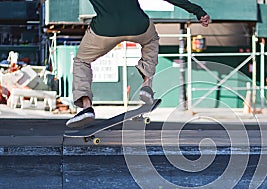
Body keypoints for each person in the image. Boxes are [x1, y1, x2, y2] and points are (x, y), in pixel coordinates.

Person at [47, 0, 210, 128]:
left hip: (105, 29)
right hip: (138, 26)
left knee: (82, 61)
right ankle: (147, 87)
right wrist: (197, 11)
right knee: (152, 41)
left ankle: (86, 107)